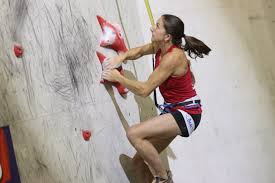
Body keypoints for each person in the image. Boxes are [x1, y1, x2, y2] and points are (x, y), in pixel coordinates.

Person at [102, 14, 211, 183]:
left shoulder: (173, 57)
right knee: (138, 163)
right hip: (175, 111)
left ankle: (164, 179)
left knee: (133, 134)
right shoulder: (160, 47)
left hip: (187, 113)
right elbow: (138, 52)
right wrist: (121, 57)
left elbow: (145, 90)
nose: (152, 27)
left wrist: (119, 78)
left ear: (167, 36)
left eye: (157, 25)